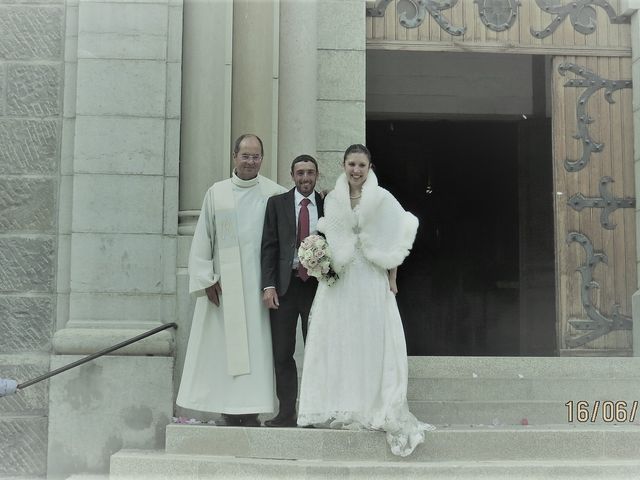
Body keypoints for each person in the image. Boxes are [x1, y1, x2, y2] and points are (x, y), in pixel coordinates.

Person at [297, 144, 434, 456]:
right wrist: (321, 261)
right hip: (341, 281)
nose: (355, 170)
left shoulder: (382, 199)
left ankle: (369, 403)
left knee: (369, 340)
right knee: (340, 339)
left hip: (370, 278)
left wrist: (393, 278)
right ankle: (340, 403)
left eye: (361, 165)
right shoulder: (332, 199)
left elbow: (396, 236)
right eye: (351, 164)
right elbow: (331, 237)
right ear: (343, 165)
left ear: (369, 167)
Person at [177, 134, 286, 427]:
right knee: (224, 349)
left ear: (262, 159)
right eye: (245, 156)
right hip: (224, 285)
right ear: (234, 157)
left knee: (256, 348)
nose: (250, 162)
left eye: (256, 156)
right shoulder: (218, 193)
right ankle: (226, 407)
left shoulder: (274, 193)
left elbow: (296, 219)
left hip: (259, 286)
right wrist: (205, 278)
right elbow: (203, 238)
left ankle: (251, 409)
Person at [261, 155, 324, 427]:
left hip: (317, 288)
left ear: (317, 175)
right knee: (282, 352)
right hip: (285, 289)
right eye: (300, 173)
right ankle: (287, 412)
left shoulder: (328, 204)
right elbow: (269, 246)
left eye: (310, 173)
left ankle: (314, 412)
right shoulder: (277, 204)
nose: (305, 178)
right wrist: (269, 285)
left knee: (317, 351)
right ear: (292, 175)